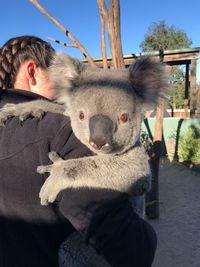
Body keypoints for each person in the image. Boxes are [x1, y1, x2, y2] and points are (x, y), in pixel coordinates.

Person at [0, 35, 157, 267]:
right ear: (32, 72)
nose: (60, 86)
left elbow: (140, 177)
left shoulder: (11, 122)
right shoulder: (62, 134)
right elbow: (135, 252)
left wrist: (37, 106)